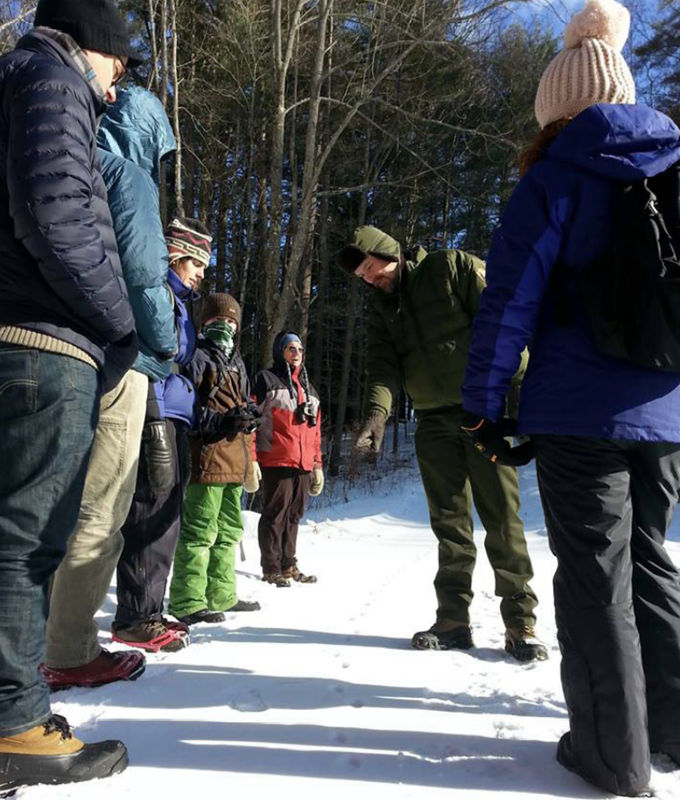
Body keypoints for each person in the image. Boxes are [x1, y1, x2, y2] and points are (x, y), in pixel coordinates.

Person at [461, 0, 680, 795]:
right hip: (667, 414)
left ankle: (610, 755)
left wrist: (484, 405)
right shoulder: (673, 169)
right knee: (653, 562)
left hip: (579, 412)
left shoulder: (553, 178)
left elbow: (508, 303)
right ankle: (671, 731)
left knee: (596, 577)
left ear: (555, 107)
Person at [0, 0, 142, 791]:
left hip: (19, 331)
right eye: (118, 67)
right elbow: (58, 216)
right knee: (24, 544)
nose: (116, 89)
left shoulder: (20, 79)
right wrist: (120, 324)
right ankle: (13, 726)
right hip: (40, 342)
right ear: (91, 46)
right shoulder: (50, 79)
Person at [337, 226, 546, 662]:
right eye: (365, 280)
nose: (371, 281)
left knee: (503, 519)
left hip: (482, 415)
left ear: (387, 252)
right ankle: (453, 620)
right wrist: (377, 415)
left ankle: (520, 622)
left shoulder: (451, 267)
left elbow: (502, 325)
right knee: (449, 525)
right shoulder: (382, 308)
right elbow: (382, 367)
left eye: (373, 271)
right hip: (432, 422)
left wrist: (524, 395)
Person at [41, 87, 179, 691]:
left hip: (53, 355)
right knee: (103, 508)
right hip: (121, 362)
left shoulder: (57, 159)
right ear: (147, 133)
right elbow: (147, 276)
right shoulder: (126, 175)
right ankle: (68, 652)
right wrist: (165, 345)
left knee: (44, 508)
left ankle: (33, 641)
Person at [112, 217, 212, 653]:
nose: (202, 273)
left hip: (176, 413)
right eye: (198, 263)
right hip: (155, 407)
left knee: (167, 514)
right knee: (148, 509)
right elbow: (149, 356)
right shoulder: (156, 290)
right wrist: (152, 412)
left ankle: (150, 608)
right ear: (177, 254)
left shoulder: (180, 301)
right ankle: (135, 616)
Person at [169, 293, 263, 624]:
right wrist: (220, 422)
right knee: (199, 531)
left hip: (234, 458)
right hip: (205, 456)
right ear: (204, 322)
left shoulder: (236, 361)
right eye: (218, 320)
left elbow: (242, 402)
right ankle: (187, 600)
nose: (226, 326)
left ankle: (222, 594)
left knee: (229, 530)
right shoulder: (195, 356)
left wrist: (249, 419)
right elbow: (185, 406)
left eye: (232, 321)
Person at [253, 332, 324, 587]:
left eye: (300, 349)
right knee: (275, 513)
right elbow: (251, 421)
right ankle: (270, 567)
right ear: (280, 351)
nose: (296, 353)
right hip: (276, 460)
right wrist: (251, 459)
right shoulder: (265, 380)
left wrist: (317, 466)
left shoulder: (310, 391)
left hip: (303, 464)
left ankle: (288, 564)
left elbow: (316, 433)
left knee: (294, 515)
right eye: (290, 348)